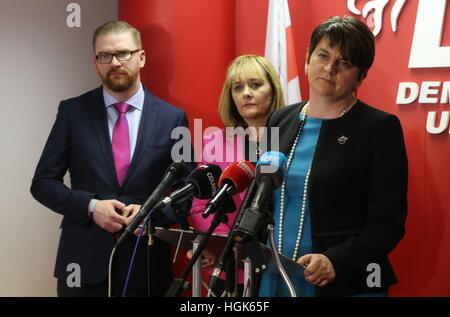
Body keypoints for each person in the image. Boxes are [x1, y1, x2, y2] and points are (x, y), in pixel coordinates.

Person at [30, 21, 190, 297]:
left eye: (123, 53)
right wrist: (91, 207)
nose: (114, 62)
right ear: (95, 62)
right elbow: (42, 183)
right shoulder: (72, 112)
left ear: (141, 57)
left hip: (147, 266)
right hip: (82, 266)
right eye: (105, 56)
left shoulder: (173, 118)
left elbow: (188, 192)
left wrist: (150, 214)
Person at [258, 16, 408, 297]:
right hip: (275, 276)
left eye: (345, 63)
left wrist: (335, 261)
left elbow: (388, 224)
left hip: (343, 281)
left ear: (360, 76)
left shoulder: (378, 129)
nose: (329, 68)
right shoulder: (279, 121)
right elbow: (264, 198)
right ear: (306, 59)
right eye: (323, 55)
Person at [188, 55, 285, 296]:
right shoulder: (214, 143)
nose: (246, 93)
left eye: (255, 84)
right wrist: (219, 244)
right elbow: (199, 207)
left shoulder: (291, 140)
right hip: (231, 269)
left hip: (281, 265)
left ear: (272, 90)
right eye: (238, 87)